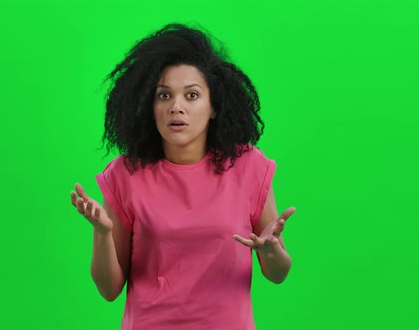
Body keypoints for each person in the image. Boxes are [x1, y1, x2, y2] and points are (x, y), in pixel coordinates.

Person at [70, 23, 296, 329]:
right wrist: (101, 232)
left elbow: (278, 274)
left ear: (214, 106)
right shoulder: (126, 174)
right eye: (164, 96)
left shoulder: (248, 166)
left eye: (192, 95)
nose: (176, 107)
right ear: (148, 106)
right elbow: (109, 290)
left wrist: (272, 251)